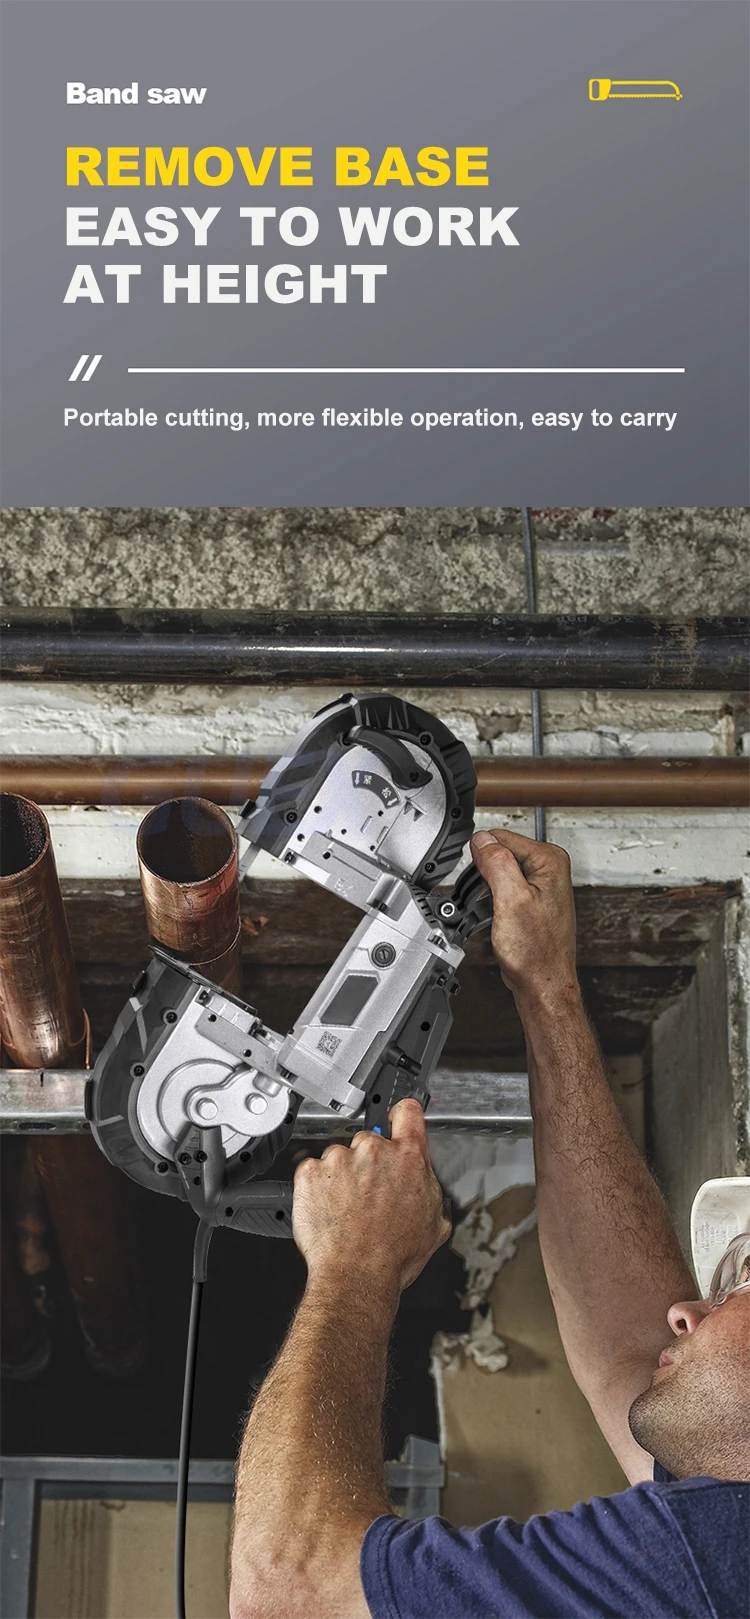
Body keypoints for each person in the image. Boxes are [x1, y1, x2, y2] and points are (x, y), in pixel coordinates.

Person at [229, 829, 750, 1619]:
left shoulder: (721, 1557)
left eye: (737, 1284)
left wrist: (354, 1264)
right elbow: (632, 1348)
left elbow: (287, 1592)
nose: (685, 1309)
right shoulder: (718, 1548)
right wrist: (546, 988)